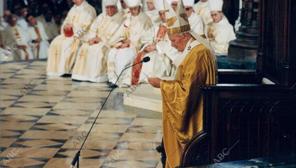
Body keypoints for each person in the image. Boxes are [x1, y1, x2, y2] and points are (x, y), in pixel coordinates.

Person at [148, 1, 217, 167]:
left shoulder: (197, 53)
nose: (171, 44)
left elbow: (187, 93)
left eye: (173, 40)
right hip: (197, 107)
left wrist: (162, 84)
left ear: (185, 36)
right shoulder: (194, 48)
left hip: (195, 116)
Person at [71, 0, 125, 82]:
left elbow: (118, 35)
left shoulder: (121, 18)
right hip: (96, 40)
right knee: (85, 47)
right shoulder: (101, 16)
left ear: (116, 7)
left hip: (107, 43)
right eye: (107, 8)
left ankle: (96, 77)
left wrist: (101, 39)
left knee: (98, 50)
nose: (109, 10)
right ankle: (81, 76)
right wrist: (92, 38)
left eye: (111, 7)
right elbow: (93, 28)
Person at [107, 0, 154, 88]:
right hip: (126, 44)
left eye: (134, 9)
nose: (132, 11)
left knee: (123, 54)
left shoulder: (145, 19)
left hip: (136, 47)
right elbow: (121, 33)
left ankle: (121, 80)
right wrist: (120, 42)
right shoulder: (128, 18)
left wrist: (131, 43)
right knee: (112, 52)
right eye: (131, 9)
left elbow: (147, 37)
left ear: (139, 7)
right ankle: (113, 79)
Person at [47, 0, 96, 76]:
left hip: (82, 36)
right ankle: (55, 70)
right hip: (69, 34)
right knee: (55, 42)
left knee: (67, 44)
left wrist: (74, 30)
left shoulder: (89, 9)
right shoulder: (73, 9)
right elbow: (66, 21)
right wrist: (66, 27)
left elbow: (87, 26)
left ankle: (65, 69)